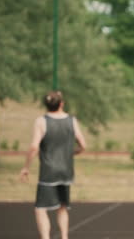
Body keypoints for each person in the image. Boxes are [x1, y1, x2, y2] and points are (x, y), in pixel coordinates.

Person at [20, 91, 86, 239]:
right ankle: (64, 237)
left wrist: (26, 167)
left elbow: (34, 147)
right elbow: (83, 144)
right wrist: (72, 152)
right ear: (61, 103)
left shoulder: (41, 122)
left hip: (48, 172)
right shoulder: (72, 120)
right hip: (66, 171)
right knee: (62, 207)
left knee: (41, 208)